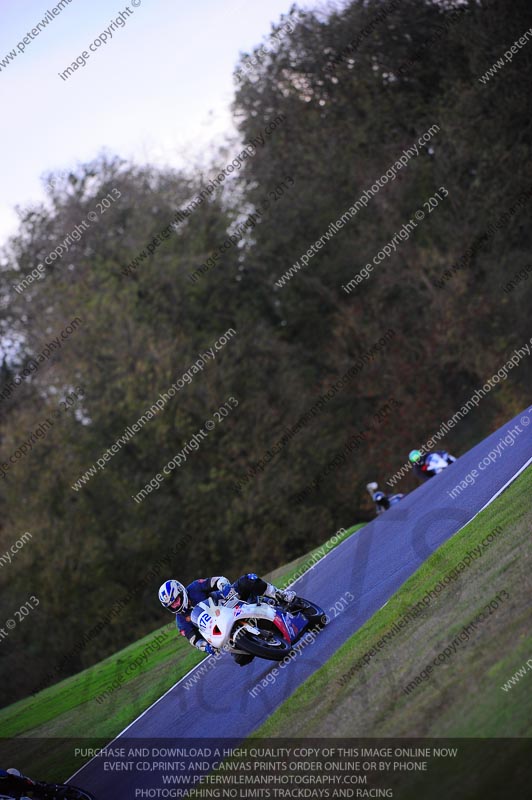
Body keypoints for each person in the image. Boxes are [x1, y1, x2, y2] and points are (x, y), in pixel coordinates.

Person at [158, 574, 296, 666]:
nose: (176, 605)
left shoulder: (194, 587)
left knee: (248, 579)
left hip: (228, 601)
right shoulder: (181, 622)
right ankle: (262, 640)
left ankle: (280, 595)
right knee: (241, 659)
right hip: (222, 630)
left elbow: (217, 580)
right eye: (172, 605)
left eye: (176, 600)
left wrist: (224, 587)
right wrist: (204, 646)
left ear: (181, 591)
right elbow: (194, 639)